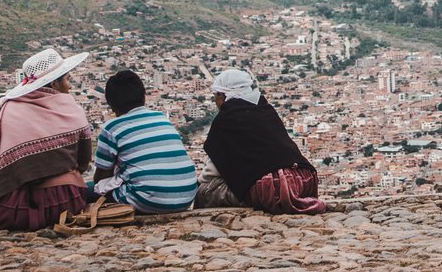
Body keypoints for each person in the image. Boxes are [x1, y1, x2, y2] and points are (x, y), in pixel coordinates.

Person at [0, 47, 95, 230]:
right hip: (67, 200)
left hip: (16, 208)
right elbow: (83, 163)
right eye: (66, 79)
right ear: (54, 84)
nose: (70, 85)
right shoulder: (72, 110)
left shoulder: (5, 112)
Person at [196, 69, 326, 214]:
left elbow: (211, 173)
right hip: (305, 180)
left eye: (216, 95)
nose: (216, 101)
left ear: (223, 95)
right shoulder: (265, 109)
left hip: (274, 188)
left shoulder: (227, 119)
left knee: (205, 191)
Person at [89, 70, 199, 213]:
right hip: (187, 197)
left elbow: (101, 178)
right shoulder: (162, 118)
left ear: (111, 104)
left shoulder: (111, 128)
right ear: (144, 97)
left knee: (87, 190)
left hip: (147, 200)